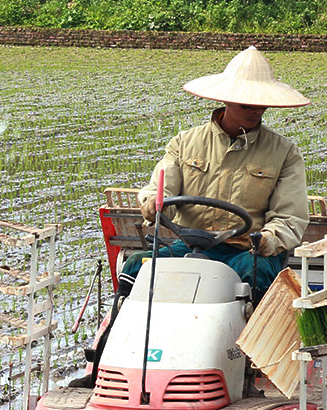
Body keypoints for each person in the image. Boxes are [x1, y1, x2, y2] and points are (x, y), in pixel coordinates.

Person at [120, 47, 311, 302]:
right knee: (135, 265)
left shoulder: (284, 153)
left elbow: (290, 217)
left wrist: (266, 240)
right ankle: (116, 332)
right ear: (227, 100)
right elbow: (159, 189)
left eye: (262, 106)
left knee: (256, 272)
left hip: (246, 252)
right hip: (192, 246)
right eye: (248, 105)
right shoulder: (184, 143)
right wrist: (153, 204)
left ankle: (248, 340)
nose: (257, 112)